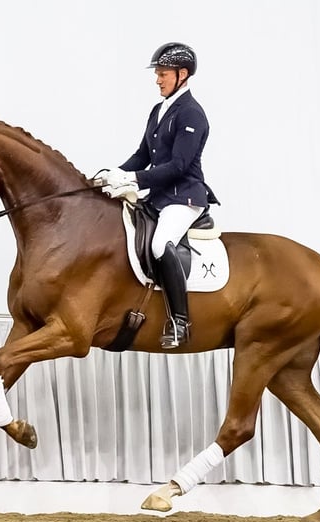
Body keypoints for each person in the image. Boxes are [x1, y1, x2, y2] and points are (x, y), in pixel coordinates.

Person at [101, 42, 218, 349]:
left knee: (159, 244)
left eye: (163, 73)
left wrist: (133, 179)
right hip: (159, 197)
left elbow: (178, 166)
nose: (158, 80)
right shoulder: (159, 110)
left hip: (185, 197)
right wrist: (111, 174)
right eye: (158, 73)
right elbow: (142, 155)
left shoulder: (192, 114)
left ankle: (180, 322)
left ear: (182, 74)